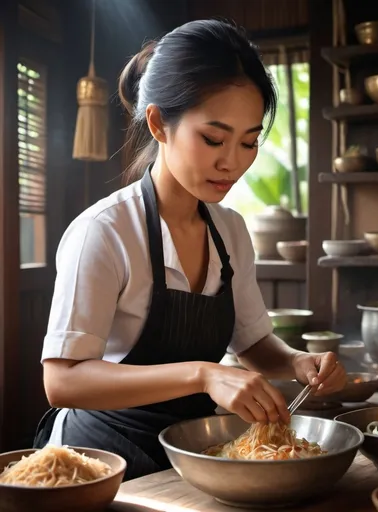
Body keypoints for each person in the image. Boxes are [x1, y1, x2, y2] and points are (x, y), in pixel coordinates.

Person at [34, 19, 347, 481]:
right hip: (97, 461)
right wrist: (204, 374)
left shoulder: (231, 231)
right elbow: (62, 382)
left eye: (249, 142)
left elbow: (255, 343)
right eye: (214, 139)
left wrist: (297, 362)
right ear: (159, 124)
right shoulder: (105, 231)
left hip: (195, 453)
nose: (232, 162)